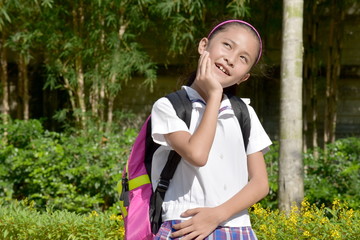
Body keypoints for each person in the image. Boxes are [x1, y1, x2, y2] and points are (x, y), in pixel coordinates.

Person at [150, 19, 272, 240]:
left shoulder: (244, 113)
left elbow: (260, 183)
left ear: (245, 76)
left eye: (243, 58)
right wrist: (215, 95)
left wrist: (217, 215)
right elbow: (197, 155)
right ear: (203, 45)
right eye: (227, 45)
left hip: (237, 228)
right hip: (185, 228)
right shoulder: (169, 107)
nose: (231, 59)